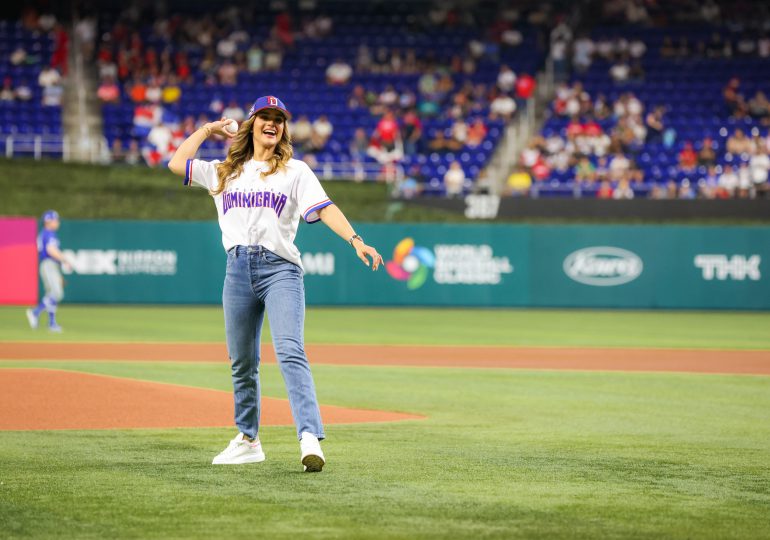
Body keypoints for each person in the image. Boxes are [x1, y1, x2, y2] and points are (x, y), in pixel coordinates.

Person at [167, 96, 383, 472]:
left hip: (279, 269)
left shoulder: (295, 171)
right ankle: (248, 440)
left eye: (278, 119)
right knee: (242, 362)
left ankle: (309, 437)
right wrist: (208, 129)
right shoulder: (224, 172)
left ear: (283, 129)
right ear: (251, 124)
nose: (272, 123)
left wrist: (355, 240)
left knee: (289, 351)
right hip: (236, 269)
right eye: (264, 117)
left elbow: (326, 208)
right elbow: (175, 163)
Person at [26, 210, 71, 332]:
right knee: (57, 293)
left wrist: (59, 275)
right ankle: (35, 312)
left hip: (50, 265)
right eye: (55, 220)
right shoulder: (49, 233)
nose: (57, 222)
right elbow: (51, 250)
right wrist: (65, 260)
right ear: (48, 221)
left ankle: (52, 323)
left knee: (51, 294)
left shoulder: (45, 233)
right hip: (48, 264)